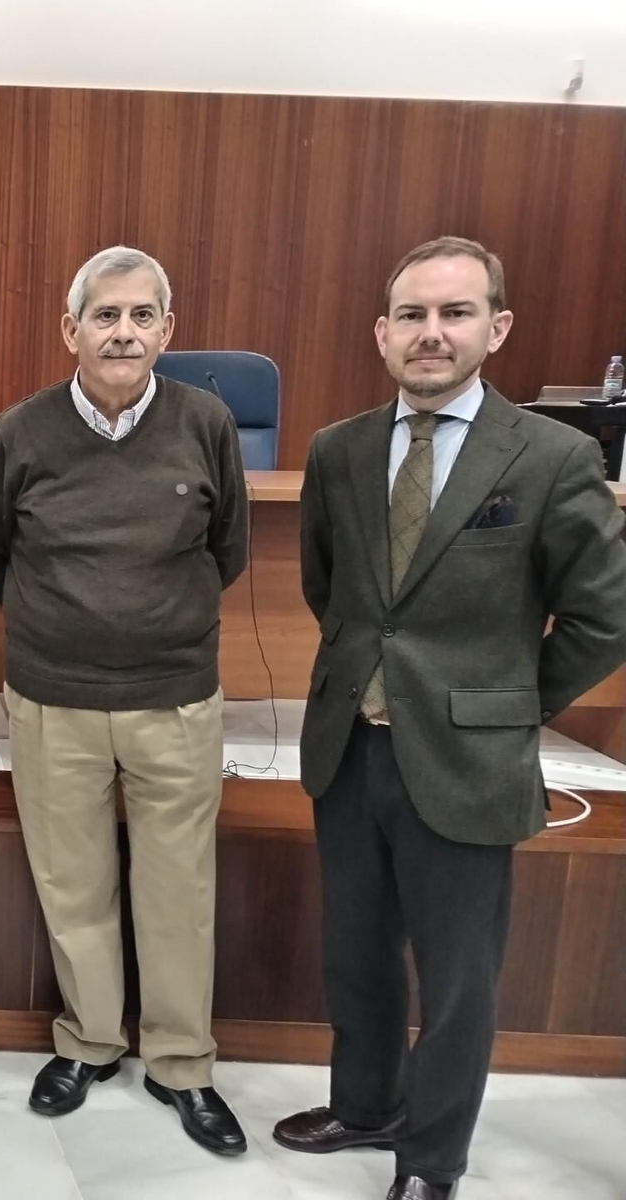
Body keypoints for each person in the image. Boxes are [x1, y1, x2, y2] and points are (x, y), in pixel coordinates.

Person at [273, 237, 626, 1200]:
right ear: (383, 334)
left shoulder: (553, 456)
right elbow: (332, 587)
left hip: (470, 759)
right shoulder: (338, 449)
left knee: (458, 978)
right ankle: (367, 1105)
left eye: (455, 313)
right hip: (351, 747)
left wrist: (511, 704)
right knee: (356, 953)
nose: (433, 334)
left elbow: (605, 613)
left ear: (495, 328)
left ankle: (432, 1161)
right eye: (413, 316)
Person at [0, 246, 250, 1154]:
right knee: (73, 881)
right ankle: (89, 1043)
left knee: (178, 889)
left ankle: (180, 1063)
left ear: (168, 329)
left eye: (141, 316)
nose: (122, 332)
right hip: (55, 699)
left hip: (173, 699)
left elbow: (230, 548)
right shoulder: (20, 431)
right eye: (104, 315)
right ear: (71, 330)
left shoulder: (206, 422)